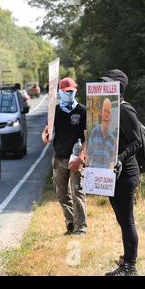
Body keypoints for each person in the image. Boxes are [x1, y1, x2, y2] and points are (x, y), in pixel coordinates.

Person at [101, 69, 142, 276]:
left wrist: (120, 158)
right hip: (111, 173)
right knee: (121, 220)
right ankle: (126, 261)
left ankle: (130, 267)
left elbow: (137, 141)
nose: (105, 86)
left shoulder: (125, 110)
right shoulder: (109, 108)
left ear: (119, 87)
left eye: (109, 83)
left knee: (127, 220)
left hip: (126, 174)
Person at [42, 77, 88, 236]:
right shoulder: (54, 111)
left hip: (76, 158)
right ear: (60, 92)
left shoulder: (82, 111)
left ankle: (81, 228)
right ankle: (70, 223)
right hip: (59, 158)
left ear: (76, 91)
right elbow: (47, 134)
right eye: (65, 91)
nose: (68, 93)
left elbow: (87, 136)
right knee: (62, 194)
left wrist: (81, 156)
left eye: (71, 91)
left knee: (78, 193)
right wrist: (45, 136)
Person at [87, 98, 118, 169]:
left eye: (108, 112)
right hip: (94, 173)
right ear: (101, 113)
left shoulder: (112, 139)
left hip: (105, 176)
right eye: (104, 111)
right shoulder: (94, 132)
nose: (106, 115)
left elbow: (112, 162)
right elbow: (88, 154)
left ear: (111, 116)